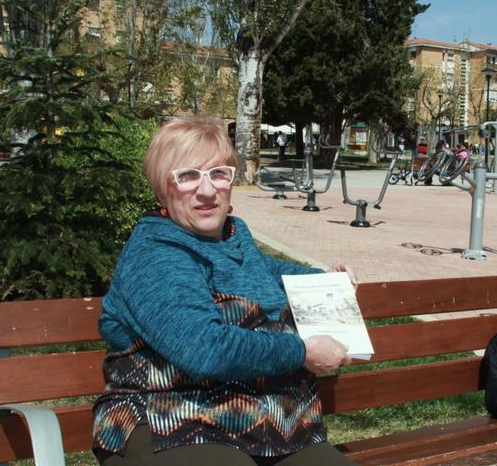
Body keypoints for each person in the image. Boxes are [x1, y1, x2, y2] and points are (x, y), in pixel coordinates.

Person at [92, 116, 357, 466]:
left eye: (219, 173)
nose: (206, 190)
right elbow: (204, 349)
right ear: (161, 189)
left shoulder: (234, 238)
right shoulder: (155, 254)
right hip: (165, 417)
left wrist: (329, 282)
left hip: (267, 421)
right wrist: (302, 351)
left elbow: (271, 272)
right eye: (187, 176)